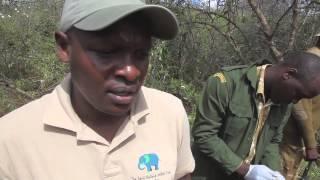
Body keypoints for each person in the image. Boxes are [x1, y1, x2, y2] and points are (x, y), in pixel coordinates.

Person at [0, 0, 195, 179]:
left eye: (141, 54)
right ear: (64, 47)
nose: (131, 72)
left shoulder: (170, 114)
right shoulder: (10, 142)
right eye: (107, 52)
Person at [191, 51, 320, 180]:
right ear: (288, 75)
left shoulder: (284, 102)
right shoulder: (226, 84)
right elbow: (204, 135)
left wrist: (273, 174)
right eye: (298, 93)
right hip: (209, 174)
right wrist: (245, 169)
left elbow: (272, 141)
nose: (295, 101)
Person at [280, 33, 320, 180]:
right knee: (284, 174)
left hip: (304, 135)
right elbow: (299, 108)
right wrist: (310, 144)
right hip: (292, 136)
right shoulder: (310, 62)